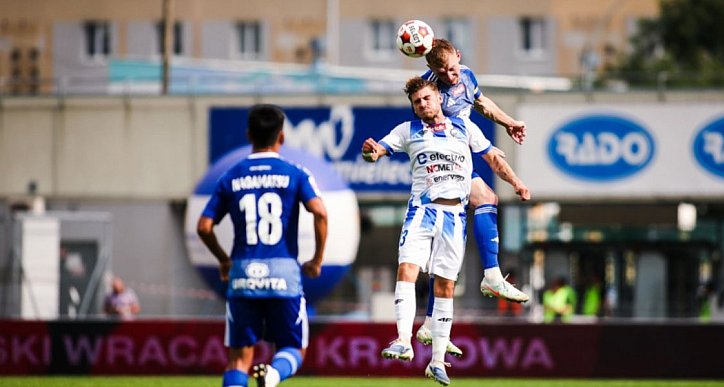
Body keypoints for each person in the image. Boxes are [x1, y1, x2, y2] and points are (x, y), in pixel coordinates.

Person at [362, 77, 530, 385]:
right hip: (421, 212)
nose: (422, 104)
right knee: (407, 270)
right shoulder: (407, 131)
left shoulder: (464, 127)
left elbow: (493, 158)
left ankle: (437, 361)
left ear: (438, 98)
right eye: (416, 102)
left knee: (445, 286)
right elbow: (378, 151)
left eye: (426, 98)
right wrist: (370, 152)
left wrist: (517, 183)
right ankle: (402, 340)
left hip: (454, 217)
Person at [196, 104, 328, 387]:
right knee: (293, 348)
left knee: (239, 359)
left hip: (243, 274)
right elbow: (320, 212)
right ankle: (274, 374)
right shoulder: (296, 173)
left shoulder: (230, 176)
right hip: (284, 274)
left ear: (248, 135)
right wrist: (316, 260)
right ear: (281, 137)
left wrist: (223, 259)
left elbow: (204, 227)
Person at [416, 38, 529, 356]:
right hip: (441, 163)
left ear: (459, 60)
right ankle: (491, 276)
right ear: (431, 69)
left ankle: (430, 324)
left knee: (453, 244)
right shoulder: (430, 91)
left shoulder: (467, 75)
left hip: (460, 155)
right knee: (485, 201)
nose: (450, 76)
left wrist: (508, 123)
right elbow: (426, 122)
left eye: (452, 69)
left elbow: (481, 103)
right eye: (442, 71)